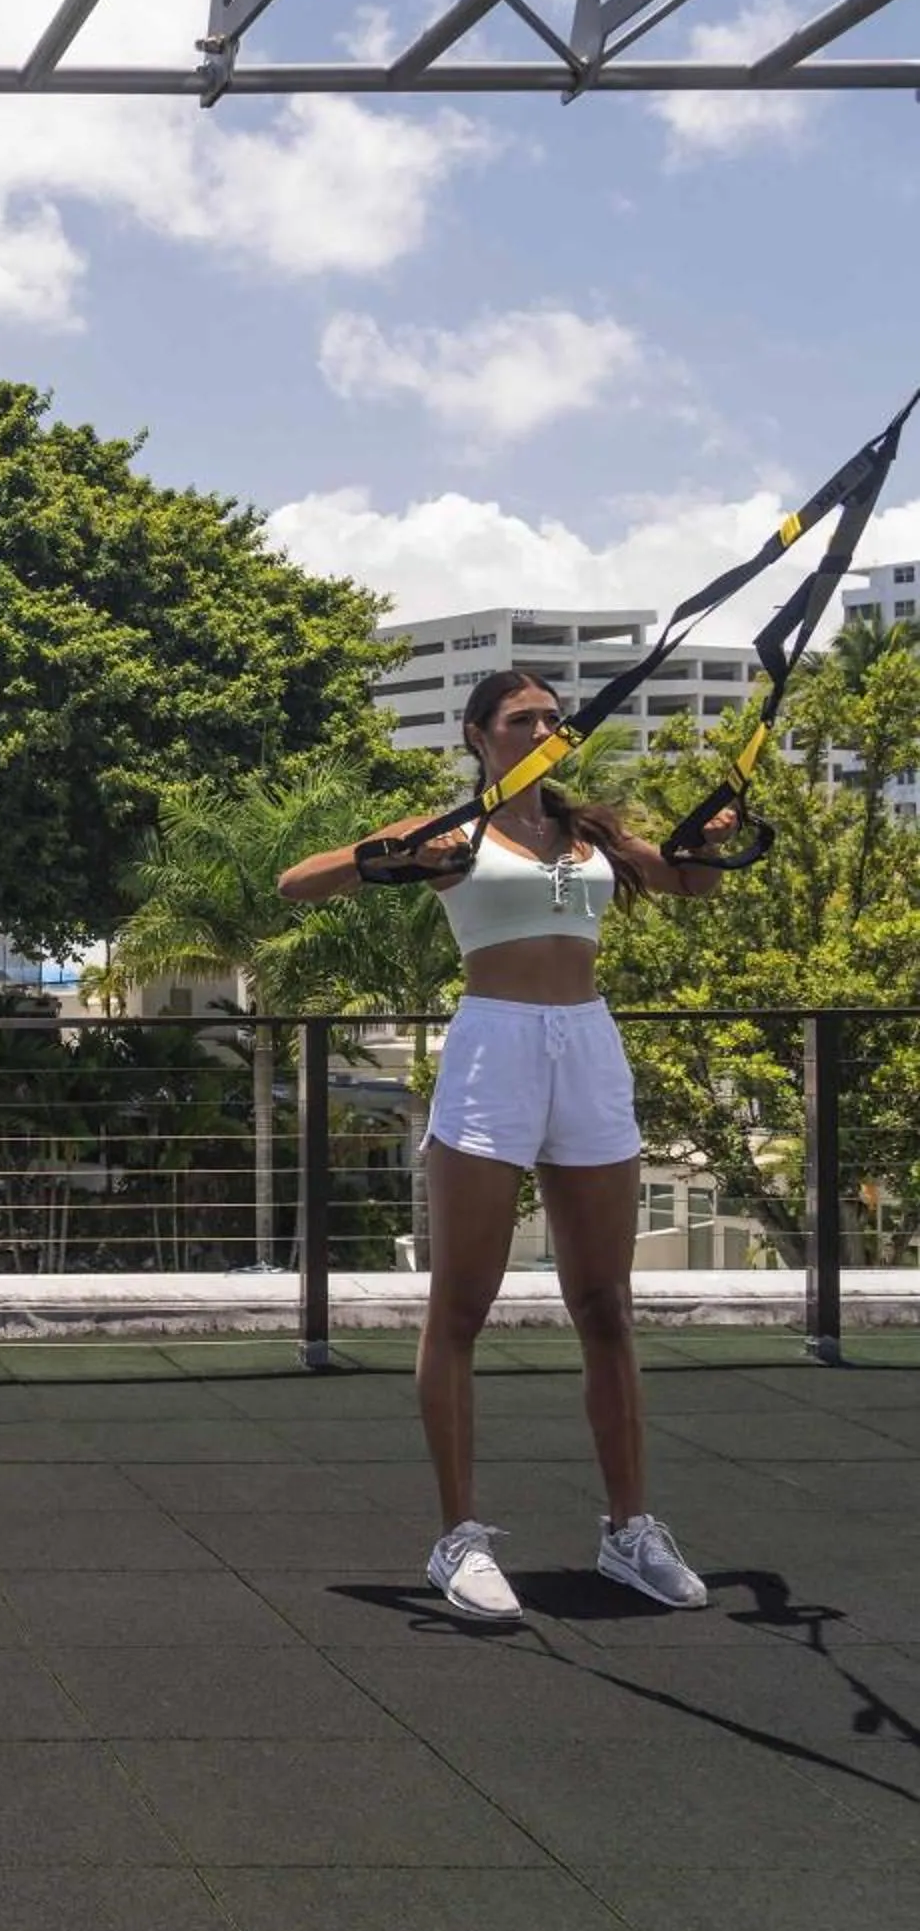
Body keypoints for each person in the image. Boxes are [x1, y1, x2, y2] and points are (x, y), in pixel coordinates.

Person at [277, 667, 728, 1623]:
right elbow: (297, 884)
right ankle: (458, 1538)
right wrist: (395, 851)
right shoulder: (459, 837)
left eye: (553, 719)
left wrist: (716, 845)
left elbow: (682, 880)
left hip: (590, 1051)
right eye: (522, 719)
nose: (543, 729)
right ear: (478, 735)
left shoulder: (590, 832)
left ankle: (630, 1531)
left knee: (605, 1302)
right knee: (463, 1305)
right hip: (495, 1051)